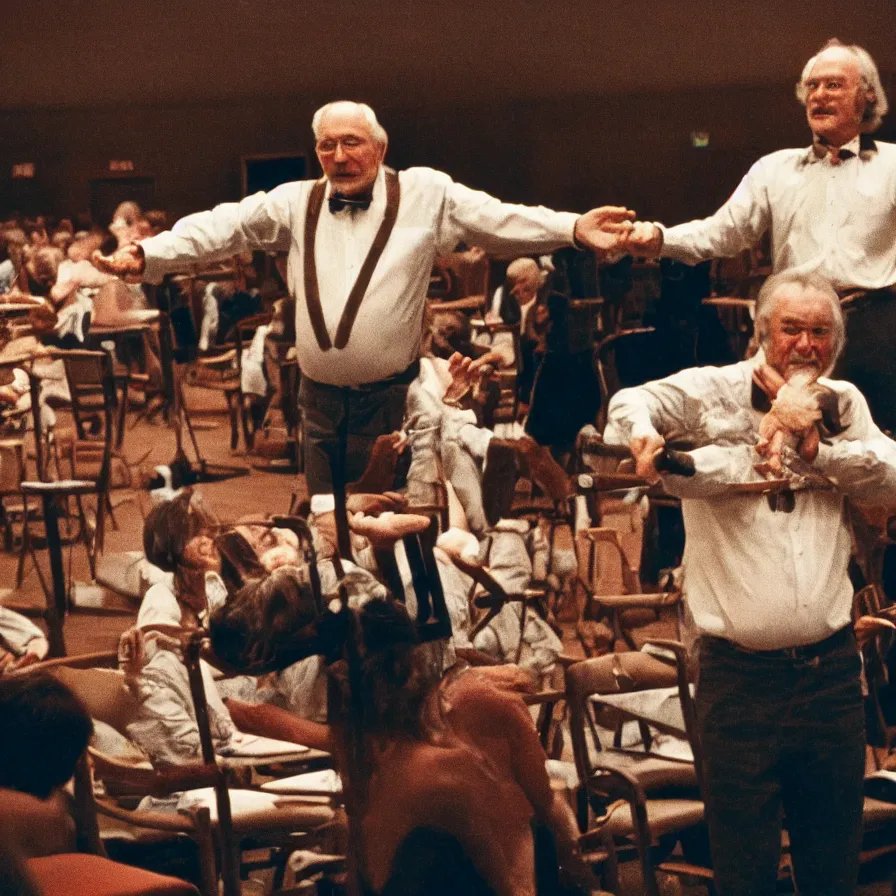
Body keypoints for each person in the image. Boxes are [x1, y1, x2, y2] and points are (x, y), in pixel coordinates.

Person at [93, 100, 636, 504]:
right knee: (329, 519)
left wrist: (572, 227)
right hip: (318, 402)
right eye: (327, 145)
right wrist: (150, 254)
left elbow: (500, 219)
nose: (339, 155)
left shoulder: (426, 194)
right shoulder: (295, 201)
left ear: (380, 147)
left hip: (389, 402)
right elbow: (223, 227)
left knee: (392, 517)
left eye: (352, 142)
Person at [604, 270, 896, 895]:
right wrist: (643, 435)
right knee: (744, 875)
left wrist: (821, 454)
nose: (806, 345)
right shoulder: (710, 392)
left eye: (820, 332)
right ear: (762, 332)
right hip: (738, 684)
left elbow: (889, 474)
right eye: (792, 329)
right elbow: (630, 402)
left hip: (833, 679)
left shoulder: (845, 405)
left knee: (832, 871)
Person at [624, 39, 896, 428]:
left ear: (865, 95)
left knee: (880, 456)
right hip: (793, 333)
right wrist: (658, 238)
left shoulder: (892, 165)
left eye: (833, 85)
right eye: (812, 87)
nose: (818, 96)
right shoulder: (774, 170)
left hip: (874, 331)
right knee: (788, 452)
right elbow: (720, 235)